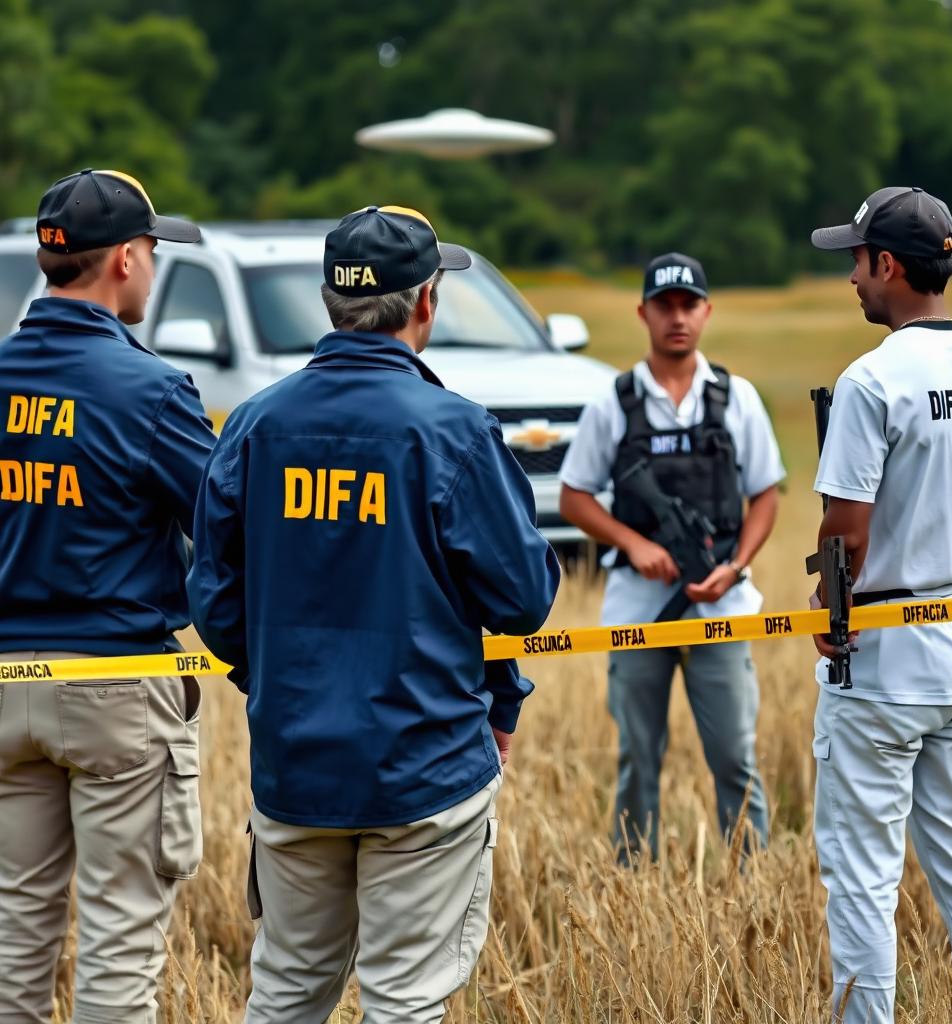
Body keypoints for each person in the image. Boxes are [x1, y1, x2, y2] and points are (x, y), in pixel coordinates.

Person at [187, 204, 560, 1024]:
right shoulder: (453, 429)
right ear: (426, 303)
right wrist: (494, 692)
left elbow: (213, 606)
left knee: (284, 993)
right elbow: (524, 599)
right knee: (405, 1004)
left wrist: (284, 682)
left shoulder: (253, 424)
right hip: (423, 769)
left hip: (294, 769)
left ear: (330, 300)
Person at [0, 169, 213, 1024]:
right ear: (125, 259)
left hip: (7, 684)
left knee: (14, 938)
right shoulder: (149, 390)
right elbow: (226, 525)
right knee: (121, 948)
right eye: (155, 253)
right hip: (119, 689)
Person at [809, 186, 952, 1023]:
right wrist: (946, 576)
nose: (852, 280)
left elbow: (844, 534)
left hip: (885, 665)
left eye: (857, 263)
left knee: (862, 873)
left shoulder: (871, 381)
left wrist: (834, 607)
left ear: (888, 265)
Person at [559, 253, 784, 861]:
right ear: (643, 313)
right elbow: (573, 496)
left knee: (736, 756)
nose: (677, 318)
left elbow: (766, 494)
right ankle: (633, 875)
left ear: (707, 311)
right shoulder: (615, 401)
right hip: (637, 603)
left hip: (723, 603)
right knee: (638, 756)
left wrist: (733, 567)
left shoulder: (736, 397)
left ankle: (753, 879)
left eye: (689, 305)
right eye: (665, 306)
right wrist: (634, 544)